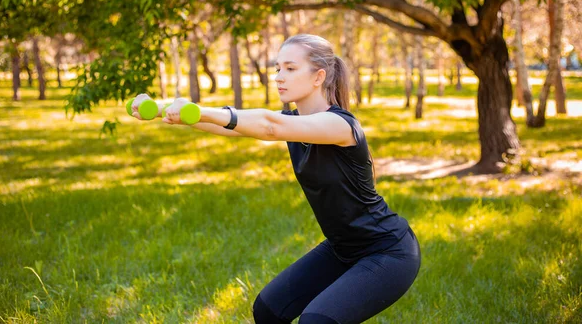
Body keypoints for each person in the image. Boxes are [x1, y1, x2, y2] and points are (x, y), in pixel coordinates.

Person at [131, 34, 421, 324]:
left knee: (316, 321)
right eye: (278, 68)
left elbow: (269, 126)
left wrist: (199, 111)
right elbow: (234, 127)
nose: (279, 77)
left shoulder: (339, 125)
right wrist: (165, 109)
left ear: (319, 76)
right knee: (269, 311)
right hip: (342, 248)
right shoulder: (295, 123)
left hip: (387, 251)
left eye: (290, 68)